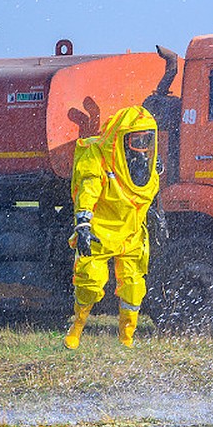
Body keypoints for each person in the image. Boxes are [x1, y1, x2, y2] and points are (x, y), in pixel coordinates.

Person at [63, 105, 161, 350]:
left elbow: (147, 195)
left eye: (146, 140)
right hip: (101, 231)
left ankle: (126, 339)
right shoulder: (98, 158)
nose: (142, 148)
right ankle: (76, 329)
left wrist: (158, 217)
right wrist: (83, 224)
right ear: (121, 139)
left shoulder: (146, 166)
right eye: (136, 140)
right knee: (90, 282)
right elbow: (88, 189)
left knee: (133, 287)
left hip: (131, 234)